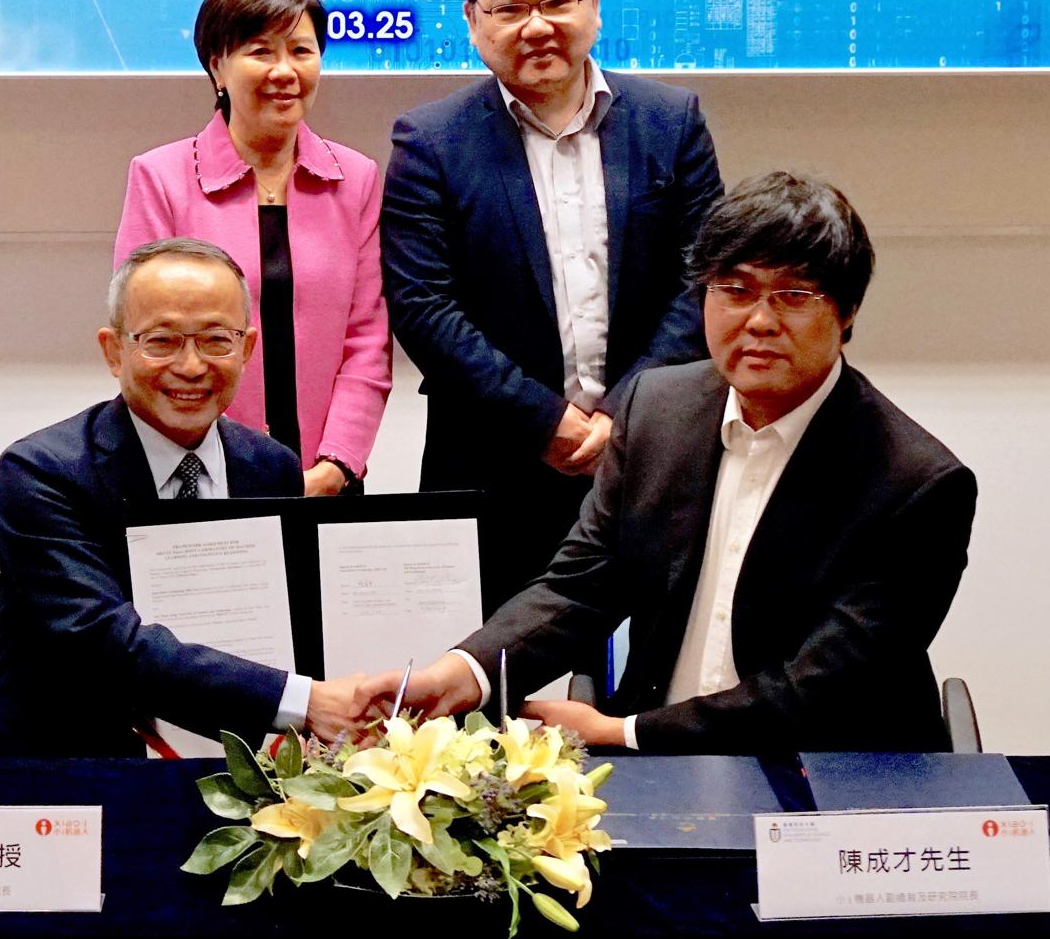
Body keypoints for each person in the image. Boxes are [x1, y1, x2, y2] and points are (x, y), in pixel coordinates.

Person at [374, 173, 978, 754]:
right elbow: (580, 587)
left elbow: (815, 688)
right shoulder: (657, 409)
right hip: (656, 772)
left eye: (794, 295)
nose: (759, 321)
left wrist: (625, 733)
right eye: (735, 291)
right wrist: (462, 672)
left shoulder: (917, 485)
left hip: (824, 779)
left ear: (846, 313)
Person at [381, 0, 723, 608]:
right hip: (489, 466)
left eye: (556, 1)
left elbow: (705, 281)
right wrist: (546, 422)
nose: (536, 26)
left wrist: (620, 418)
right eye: (509, 8)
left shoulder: (672, 121)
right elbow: (422, 307)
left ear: (594, 4)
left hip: (650, 457)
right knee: (485, 696)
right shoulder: (431, 141)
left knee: (646, 684)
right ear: (474, 23)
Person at [0, 238, 373, 757]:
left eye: (217, 340)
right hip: (59, 764)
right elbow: (99, 640)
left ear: (246, 348)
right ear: (114, 351)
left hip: (235, 764)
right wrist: (304, 701)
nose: (192, 366)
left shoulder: (272, 466)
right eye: (162, 341)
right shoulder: (41, 471)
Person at [117, 0, 389, 497]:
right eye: (261, 51)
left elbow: (368, 342)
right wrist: (220, 471)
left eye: (301, 51)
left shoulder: (355, 178)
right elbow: (150, 346)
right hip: (200, 480)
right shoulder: (161, 177)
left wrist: (336, 466)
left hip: (330, 478)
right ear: (217, 67)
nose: (284, 71)